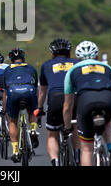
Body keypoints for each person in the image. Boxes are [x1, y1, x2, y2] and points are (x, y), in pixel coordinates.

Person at [62, 41, 111, 166]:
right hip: (108, 99)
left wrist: (68, 128)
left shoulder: (72, 71)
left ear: (77, 58)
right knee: (107, 121)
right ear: (97, 56)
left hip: (86, 101)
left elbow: (67, 107)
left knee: (87, 149)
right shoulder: (109, 69)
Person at [38, 38, 80, 166]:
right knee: (75, 128)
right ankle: (78, 157)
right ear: (69, 52)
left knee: (52, 135)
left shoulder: (46, 65)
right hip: (73, 98)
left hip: (55, 98)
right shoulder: (77, 63)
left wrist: (39, 108)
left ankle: (55, 161)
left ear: (52, 53)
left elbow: (42, 92)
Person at [3, 47, 39, 163]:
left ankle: (15, 151)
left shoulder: (7, 70)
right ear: (23, 58)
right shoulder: (31, 68)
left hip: (13, 92)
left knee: (12, 121)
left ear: (11, 59)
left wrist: (5, 110)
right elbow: (36, 88)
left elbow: (5, 92)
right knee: (32, 110)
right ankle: (33, 129)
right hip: (29, 90)